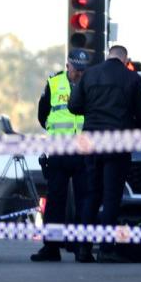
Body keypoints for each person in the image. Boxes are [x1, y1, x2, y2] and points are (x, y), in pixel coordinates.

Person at [69, 44, 141, 263]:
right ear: (125, 59)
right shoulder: (132, 78)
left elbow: (74, 106)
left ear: (108, 56)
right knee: (112, 196)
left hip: (91, 141)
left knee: (91, 194)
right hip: (117, 142)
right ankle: (106, 247)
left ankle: (84, 248)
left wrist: (93, 110)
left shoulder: (90, 74)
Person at [31, 50, 91, 262]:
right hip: (59, 150)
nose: (80, 75)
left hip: (83, 151)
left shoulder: (91, 84)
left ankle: (81, 248)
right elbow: (43, 113)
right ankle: (51, 247)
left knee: (84, 200)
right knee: (56, 200)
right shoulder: (54, 82)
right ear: (68, 66)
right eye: (77, 71)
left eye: (83, 71)